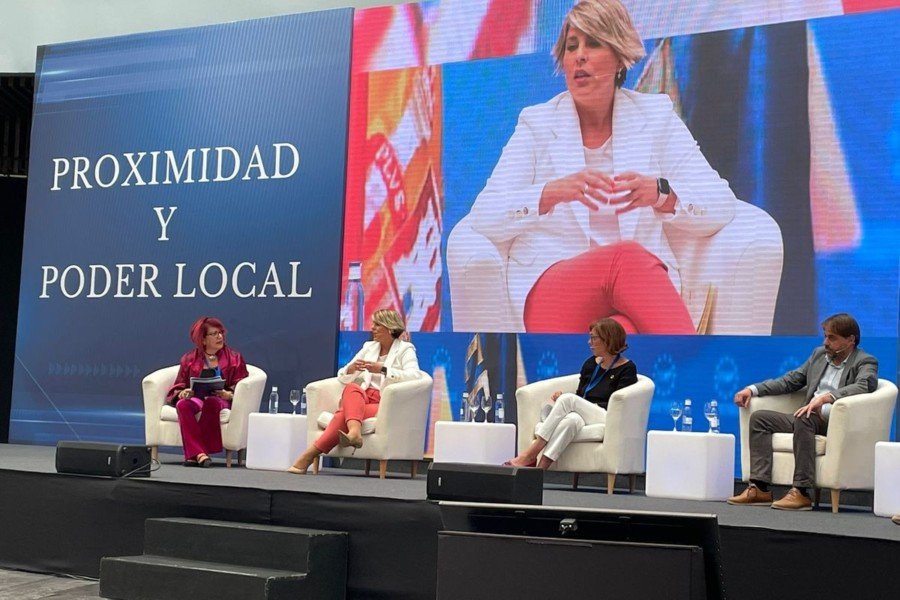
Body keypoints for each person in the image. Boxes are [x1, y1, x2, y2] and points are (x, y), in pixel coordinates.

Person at [466, 0, 736, 334]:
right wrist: (551, 193)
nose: (579, 56)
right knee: (626, 259)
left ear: (621, 56)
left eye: (593, 43)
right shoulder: (537, 123)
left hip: (628, 299)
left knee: (625, 337)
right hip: (554, 294)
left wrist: (661, 193)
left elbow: (721, 203)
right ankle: (702, 373)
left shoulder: (655, 117)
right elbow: (484, 214)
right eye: (571, 46)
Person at [728, 313, 878, 510]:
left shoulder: (865, 361)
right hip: (807, 418)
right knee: (760, 419)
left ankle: (801, 491)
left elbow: (865, 385)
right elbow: (790, 380)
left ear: (850, 340)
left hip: (835, 423)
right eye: (825, 336)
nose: (826, 342)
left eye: (832, 338)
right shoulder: (818, 355)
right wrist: (752, 389)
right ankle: (760, 489)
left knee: (804, 418)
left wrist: (828, 397)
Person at [288, 309, 421, 474]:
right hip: (363, 398)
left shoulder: (405, 349)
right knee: (352, 388)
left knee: (343, 414)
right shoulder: (369, 347)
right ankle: (354, 433)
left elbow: (415, 376)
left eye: (377, 325)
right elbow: (343, 377)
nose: (372, 328)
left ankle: (309, 455)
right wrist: (350, 369)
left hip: (385, 402)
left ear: (390, 328)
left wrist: (384, 369)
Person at [505, 318, 638, 469]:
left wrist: (574, 403)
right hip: (584, 415)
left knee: (568, 400)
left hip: (607, 416)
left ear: (608, 339)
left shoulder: (627, 368)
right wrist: (570, 403)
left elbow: (619, 405)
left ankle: (531, 453)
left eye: (594, 338)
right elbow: (581, 395)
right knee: (571, 421)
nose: (589, 342)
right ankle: (540, 471)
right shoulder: (590, 364)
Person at [166, 316, 249, 467]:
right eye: (214, 334)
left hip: (220, 398)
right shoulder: (189, 359)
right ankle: (200, 453)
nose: (220, 337)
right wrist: (183, 393)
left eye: (221, 333)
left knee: (212, 402)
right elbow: (179, 384)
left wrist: (229, 394)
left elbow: (242, 384)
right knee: (183, 405)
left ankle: (195, 454)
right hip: (197, 397)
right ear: (202, 340)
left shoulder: (235, 358)